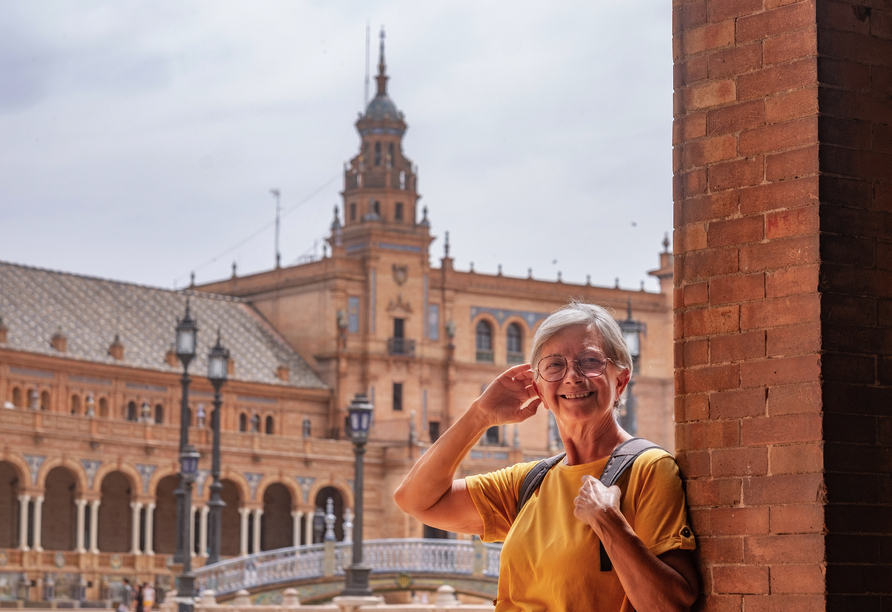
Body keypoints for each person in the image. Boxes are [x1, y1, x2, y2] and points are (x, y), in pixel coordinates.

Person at [394, 301, 699, 611]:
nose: (572, 377)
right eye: (555, 365)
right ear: (537, 388)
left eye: (590, 361)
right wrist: (480, 416)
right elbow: (415, 500)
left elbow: (670, 605)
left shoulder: (649, 469)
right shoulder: (527, 484)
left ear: (620, 380)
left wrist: (608, 522)